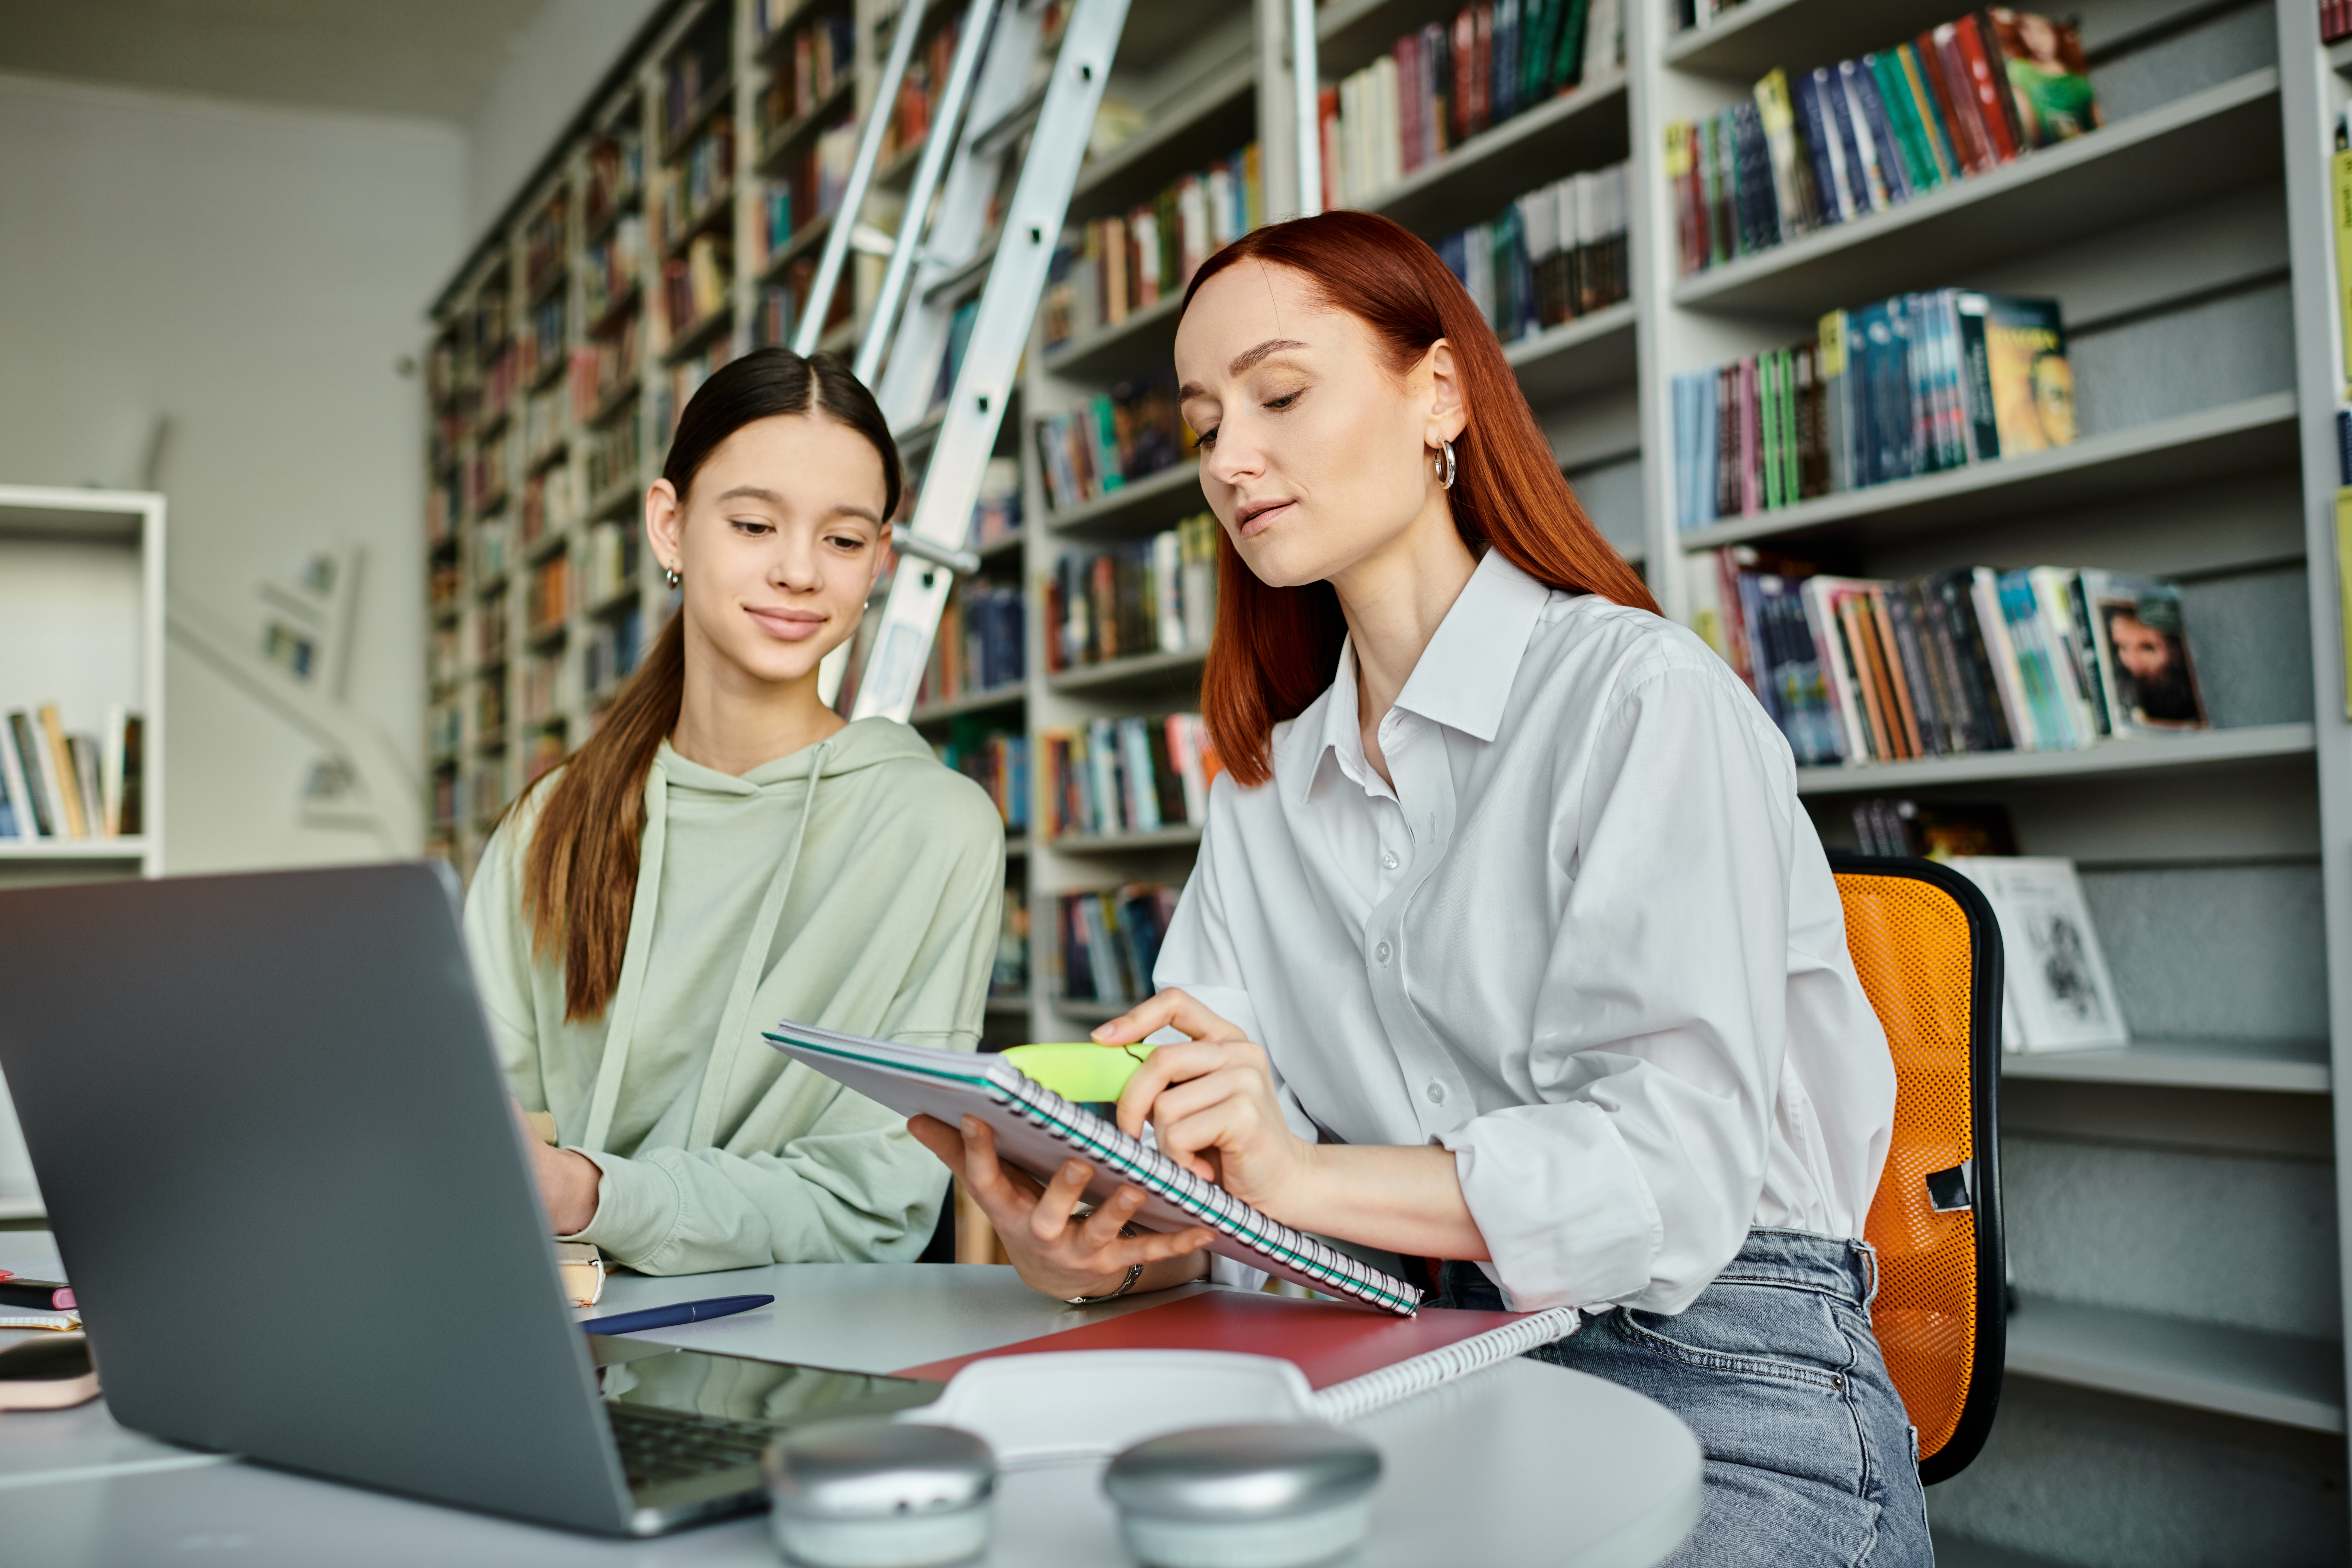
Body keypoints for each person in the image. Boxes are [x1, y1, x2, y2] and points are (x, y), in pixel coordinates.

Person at [913, 212, 1926, 1565]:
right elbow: (1236, 1172)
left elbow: (1666, 1178)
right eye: (1207, 424)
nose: (1231, 459)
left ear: (1437, 393)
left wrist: (1302, 1170)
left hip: (1725, 1375)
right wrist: (1117, 1233)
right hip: (1409, 1350)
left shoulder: (1640, 698)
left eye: (1279, 395)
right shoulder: (1264, 791)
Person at [469, 348, 1005, 1275]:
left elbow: (871, 1207)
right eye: (755, 524)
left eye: (842, 540)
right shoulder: (550, 824)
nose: (799, 571)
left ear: (881, 560)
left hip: (805, 1362)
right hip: (559, 1334)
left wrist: (593, 1194)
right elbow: (478, 1135)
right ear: (670, 528)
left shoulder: (934, 829)